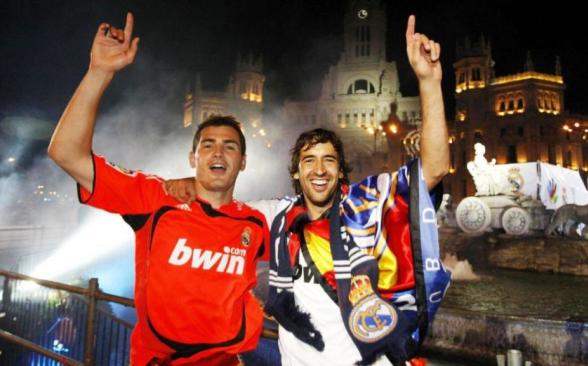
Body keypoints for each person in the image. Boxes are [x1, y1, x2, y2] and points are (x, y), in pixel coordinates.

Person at [166, 15, 451, 365]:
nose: (318, 170)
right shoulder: (276, 217)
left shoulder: (367, 202)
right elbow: (220, 210)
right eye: (309, 161)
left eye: (328, 160)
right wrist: (189, 186)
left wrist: (429, 81)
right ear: (296, 173)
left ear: (341, 170)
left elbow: (434, 169)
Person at [48, 13, 268, 365]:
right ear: (192, 156)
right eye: (208, 144)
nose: (218, 152)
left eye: (230, 146)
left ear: (243, 161)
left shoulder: (256, 223)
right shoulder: (155, 198)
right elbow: (66, 153)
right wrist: (99, 72)